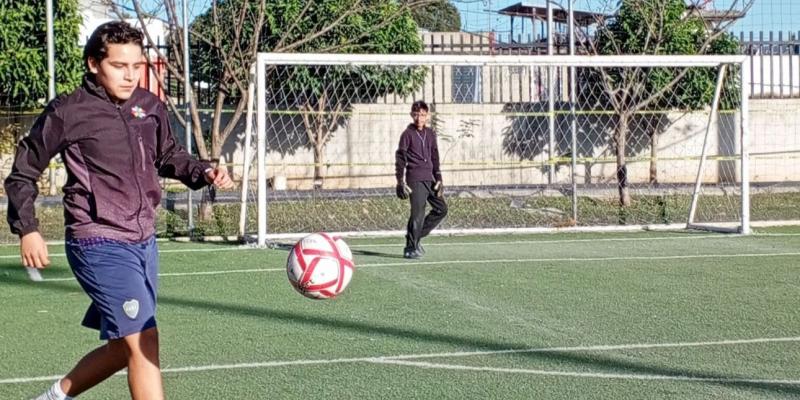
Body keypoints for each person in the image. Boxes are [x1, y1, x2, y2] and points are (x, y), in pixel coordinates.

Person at [4, 21, 234, 400]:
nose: (130, 76)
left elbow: (167, 156)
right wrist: (28, 228)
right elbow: (22, 174)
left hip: (143, 242)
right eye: (119, 66)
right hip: (97, 241)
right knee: (144, 340)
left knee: (121, 349)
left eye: (136, 66)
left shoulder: (149, 106)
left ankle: (52, 398)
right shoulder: (68, 111)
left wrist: (203, 170)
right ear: (94, 63)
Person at [394, 100, 448, 259]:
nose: (419, 118)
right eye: (416, 114)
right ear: (412, 115)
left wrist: (439, 178)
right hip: (415, 179)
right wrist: (400, 181)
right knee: (417, 213)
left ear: (427, 116)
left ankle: (415, 237)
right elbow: (400, 158)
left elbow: (435, 156)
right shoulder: (407, 135)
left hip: (430, 179)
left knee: (441, 209)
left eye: (423, 115)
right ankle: (410, 248)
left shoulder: (430, 134)